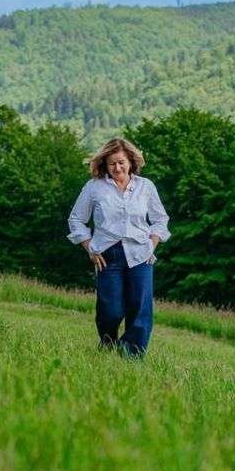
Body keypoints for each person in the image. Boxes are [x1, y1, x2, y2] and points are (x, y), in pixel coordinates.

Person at [66, 137, 170, 357]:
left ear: (131, 161)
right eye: (112, 163)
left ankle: (130, 357)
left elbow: (161, 219)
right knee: (110, 310)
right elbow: (76, 219)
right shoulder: (95, 188)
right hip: (107, 255)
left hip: (140, 254)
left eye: (121, 162)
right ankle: (108, 345)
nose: (117, 167)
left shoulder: (145, 187)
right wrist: (89, 247)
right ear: (105, 164)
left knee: (140, 310)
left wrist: (152, 244)